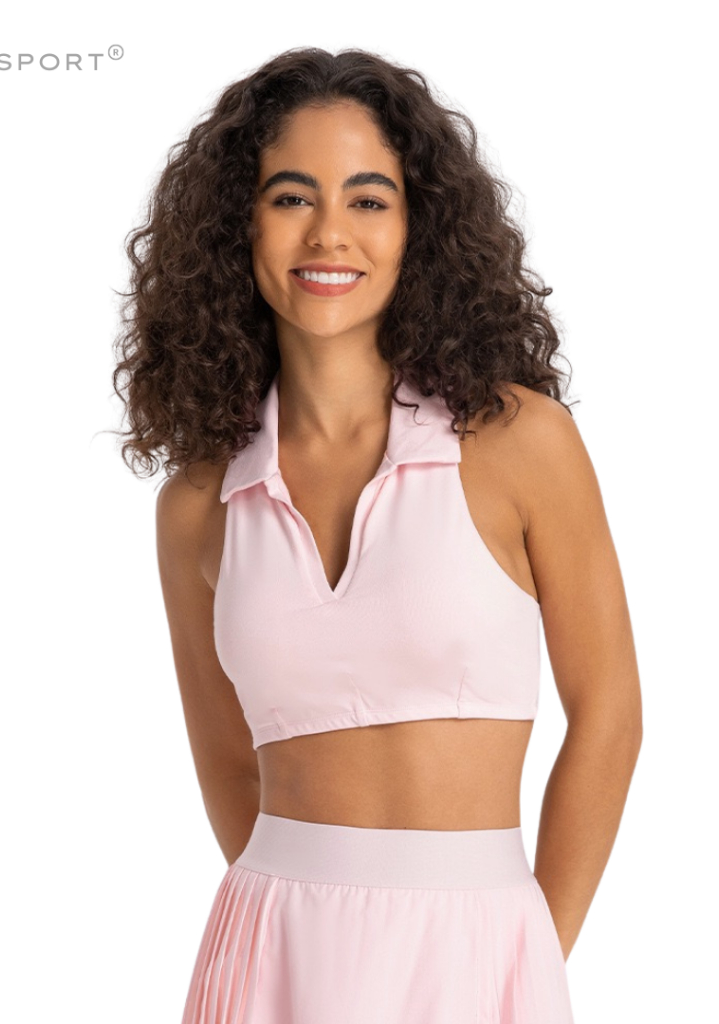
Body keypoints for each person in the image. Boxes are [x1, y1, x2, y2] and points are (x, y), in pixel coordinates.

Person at [112, 46, 642, 1024]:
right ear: (237, 224)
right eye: (289, 197)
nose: (329, 233)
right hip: (272, 955)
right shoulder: (197, 501)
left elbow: (607, 712)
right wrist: (294, 928)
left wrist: (531, 949)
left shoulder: (519, 442)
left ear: (417, 226)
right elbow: (226, 762)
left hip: (479, 948)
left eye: (368, 199)